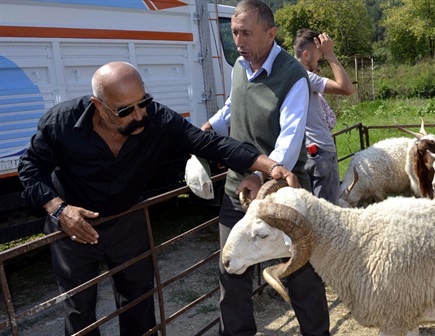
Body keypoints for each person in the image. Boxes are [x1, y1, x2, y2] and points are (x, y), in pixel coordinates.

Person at [17, 61, 298, 336]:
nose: (139, 115)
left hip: (128, 219)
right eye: (126, 110)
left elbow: (210, 143)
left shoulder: (157, 118)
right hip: (74, 226)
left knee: (138, 300)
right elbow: (29, 168)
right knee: (79, 311)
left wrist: (269, 166)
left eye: (144, 102)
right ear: (99, 106)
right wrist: (58, 209)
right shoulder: (62, 123)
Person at [199, 1, 331, 335]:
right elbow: (233, 105)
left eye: (246, 33)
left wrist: (261, 174)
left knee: (301, 272)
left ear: (270, 34)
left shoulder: (293, 77)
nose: (238, 40)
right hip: (236, 188)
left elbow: (290, 139)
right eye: (233, 32)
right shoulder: (239, 67)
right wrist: (209, 128)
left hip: (281, 191)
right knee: (231, 268)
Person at [293, 29, 355, 203]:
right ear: (306, 54)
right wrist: (330, 54)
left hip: (304, 153)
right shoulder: (305, 76)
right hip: (320, 152)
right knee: (328, 213)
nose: (319, 58)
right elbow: (347, 88)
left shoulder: (288, 74)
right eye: (318, 54)